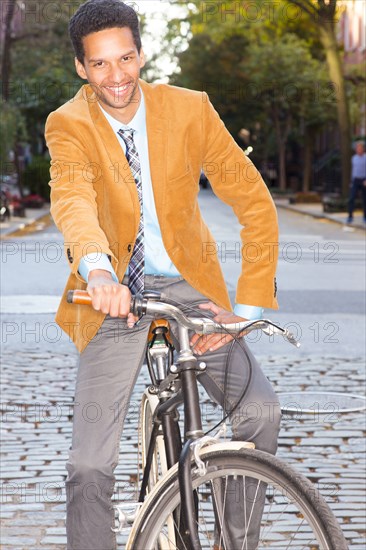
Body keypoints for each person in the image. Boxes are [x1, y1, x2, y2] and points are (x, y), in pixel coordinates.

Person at [45, 1, 280, 548]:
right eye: (100, 64)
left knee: (260, 411)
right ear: (81, 67)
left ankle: (233, 542)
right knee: (88, 468)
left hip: (188, 287)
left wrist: (244, 313)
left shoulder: (189, 108)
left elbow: (253, 201)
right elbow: (74, 200)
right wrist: (100, 273)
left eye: (125, 58)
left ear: (141, 53)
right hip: (112, 295)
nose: (117, 75)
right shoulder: (68, 123)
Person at [347, 141, 366, 224]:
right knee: (351, 198)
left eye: (360, 148)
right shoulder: (354, 158)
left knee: (364, 199)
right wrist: (351, 181)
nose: (359, 149)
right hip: (355, 180)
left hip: (363, 180)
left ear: (363, 149)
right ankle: (350, 216)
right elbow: (353, 170)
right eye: (357, 148)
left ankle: (365, 217)